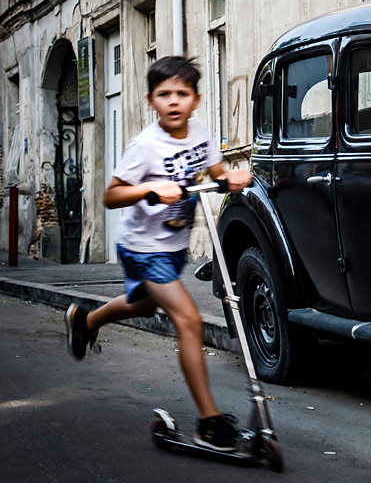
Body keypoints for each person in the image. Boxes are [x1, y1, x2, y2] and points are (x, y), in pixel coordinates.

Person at [65, 56, 252, 452]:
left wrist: (229, 177)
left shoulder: (200, 132)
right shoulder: (145, 146)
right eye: (164, 94)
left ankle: (86, 319)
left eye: (181, 94)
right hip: (143, 247)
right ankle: (209, 422)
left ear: (196, 100)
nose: (173, 101)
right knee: (189, 320)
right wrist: (150, 189)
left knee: (146, 307)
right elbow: (111, 195)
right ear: (151, 100)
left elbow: (214, 171)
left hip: (172, 246)